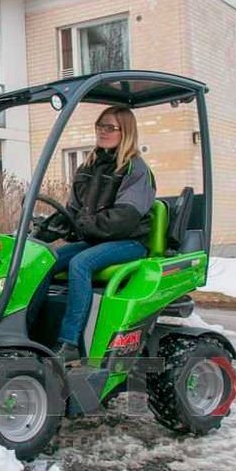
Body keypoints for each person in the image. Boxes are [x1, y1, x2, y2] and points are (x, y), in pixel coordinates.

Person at [41, 106, 155, 359]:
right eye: (100, 126)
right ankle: (32, 330)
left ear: (125, 132)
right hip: (96, 239)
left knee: (80, 264)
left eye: (110, 127)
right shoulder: (89, 166)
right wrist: (47, 230)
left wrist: (82, 226)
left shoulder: (134, 169)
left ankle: (69, 343)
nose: (103, 131)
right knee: (44, 261)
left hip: (129, 241)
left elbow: (124, 219)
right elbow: (72, 211)